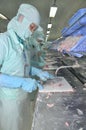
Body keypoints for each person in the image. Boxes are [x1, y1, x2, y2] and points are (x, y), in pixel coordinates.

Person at [0, 3, 54, 130]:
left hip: (23, 97)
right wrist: (21, 82)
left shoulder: (22, 43)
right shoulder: (3, 42)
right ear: (22, 20)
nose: (32, 31)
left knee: (25, 125)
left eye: (34, 28)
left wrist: (36, 71)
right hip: (10, 101)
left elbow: (21, 66)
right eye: (32, 27)